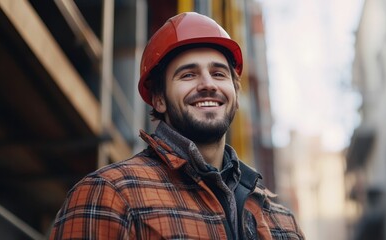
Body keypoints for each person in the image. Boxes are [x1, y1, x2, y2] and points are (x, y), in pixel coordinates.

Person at [49, 12, 305, 240]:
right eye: (188, 74)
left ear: (235, 94)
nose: (208, 84)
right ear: (159, 99)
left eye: (218, 73)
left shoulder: (282, 222)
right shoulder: (111, 195)